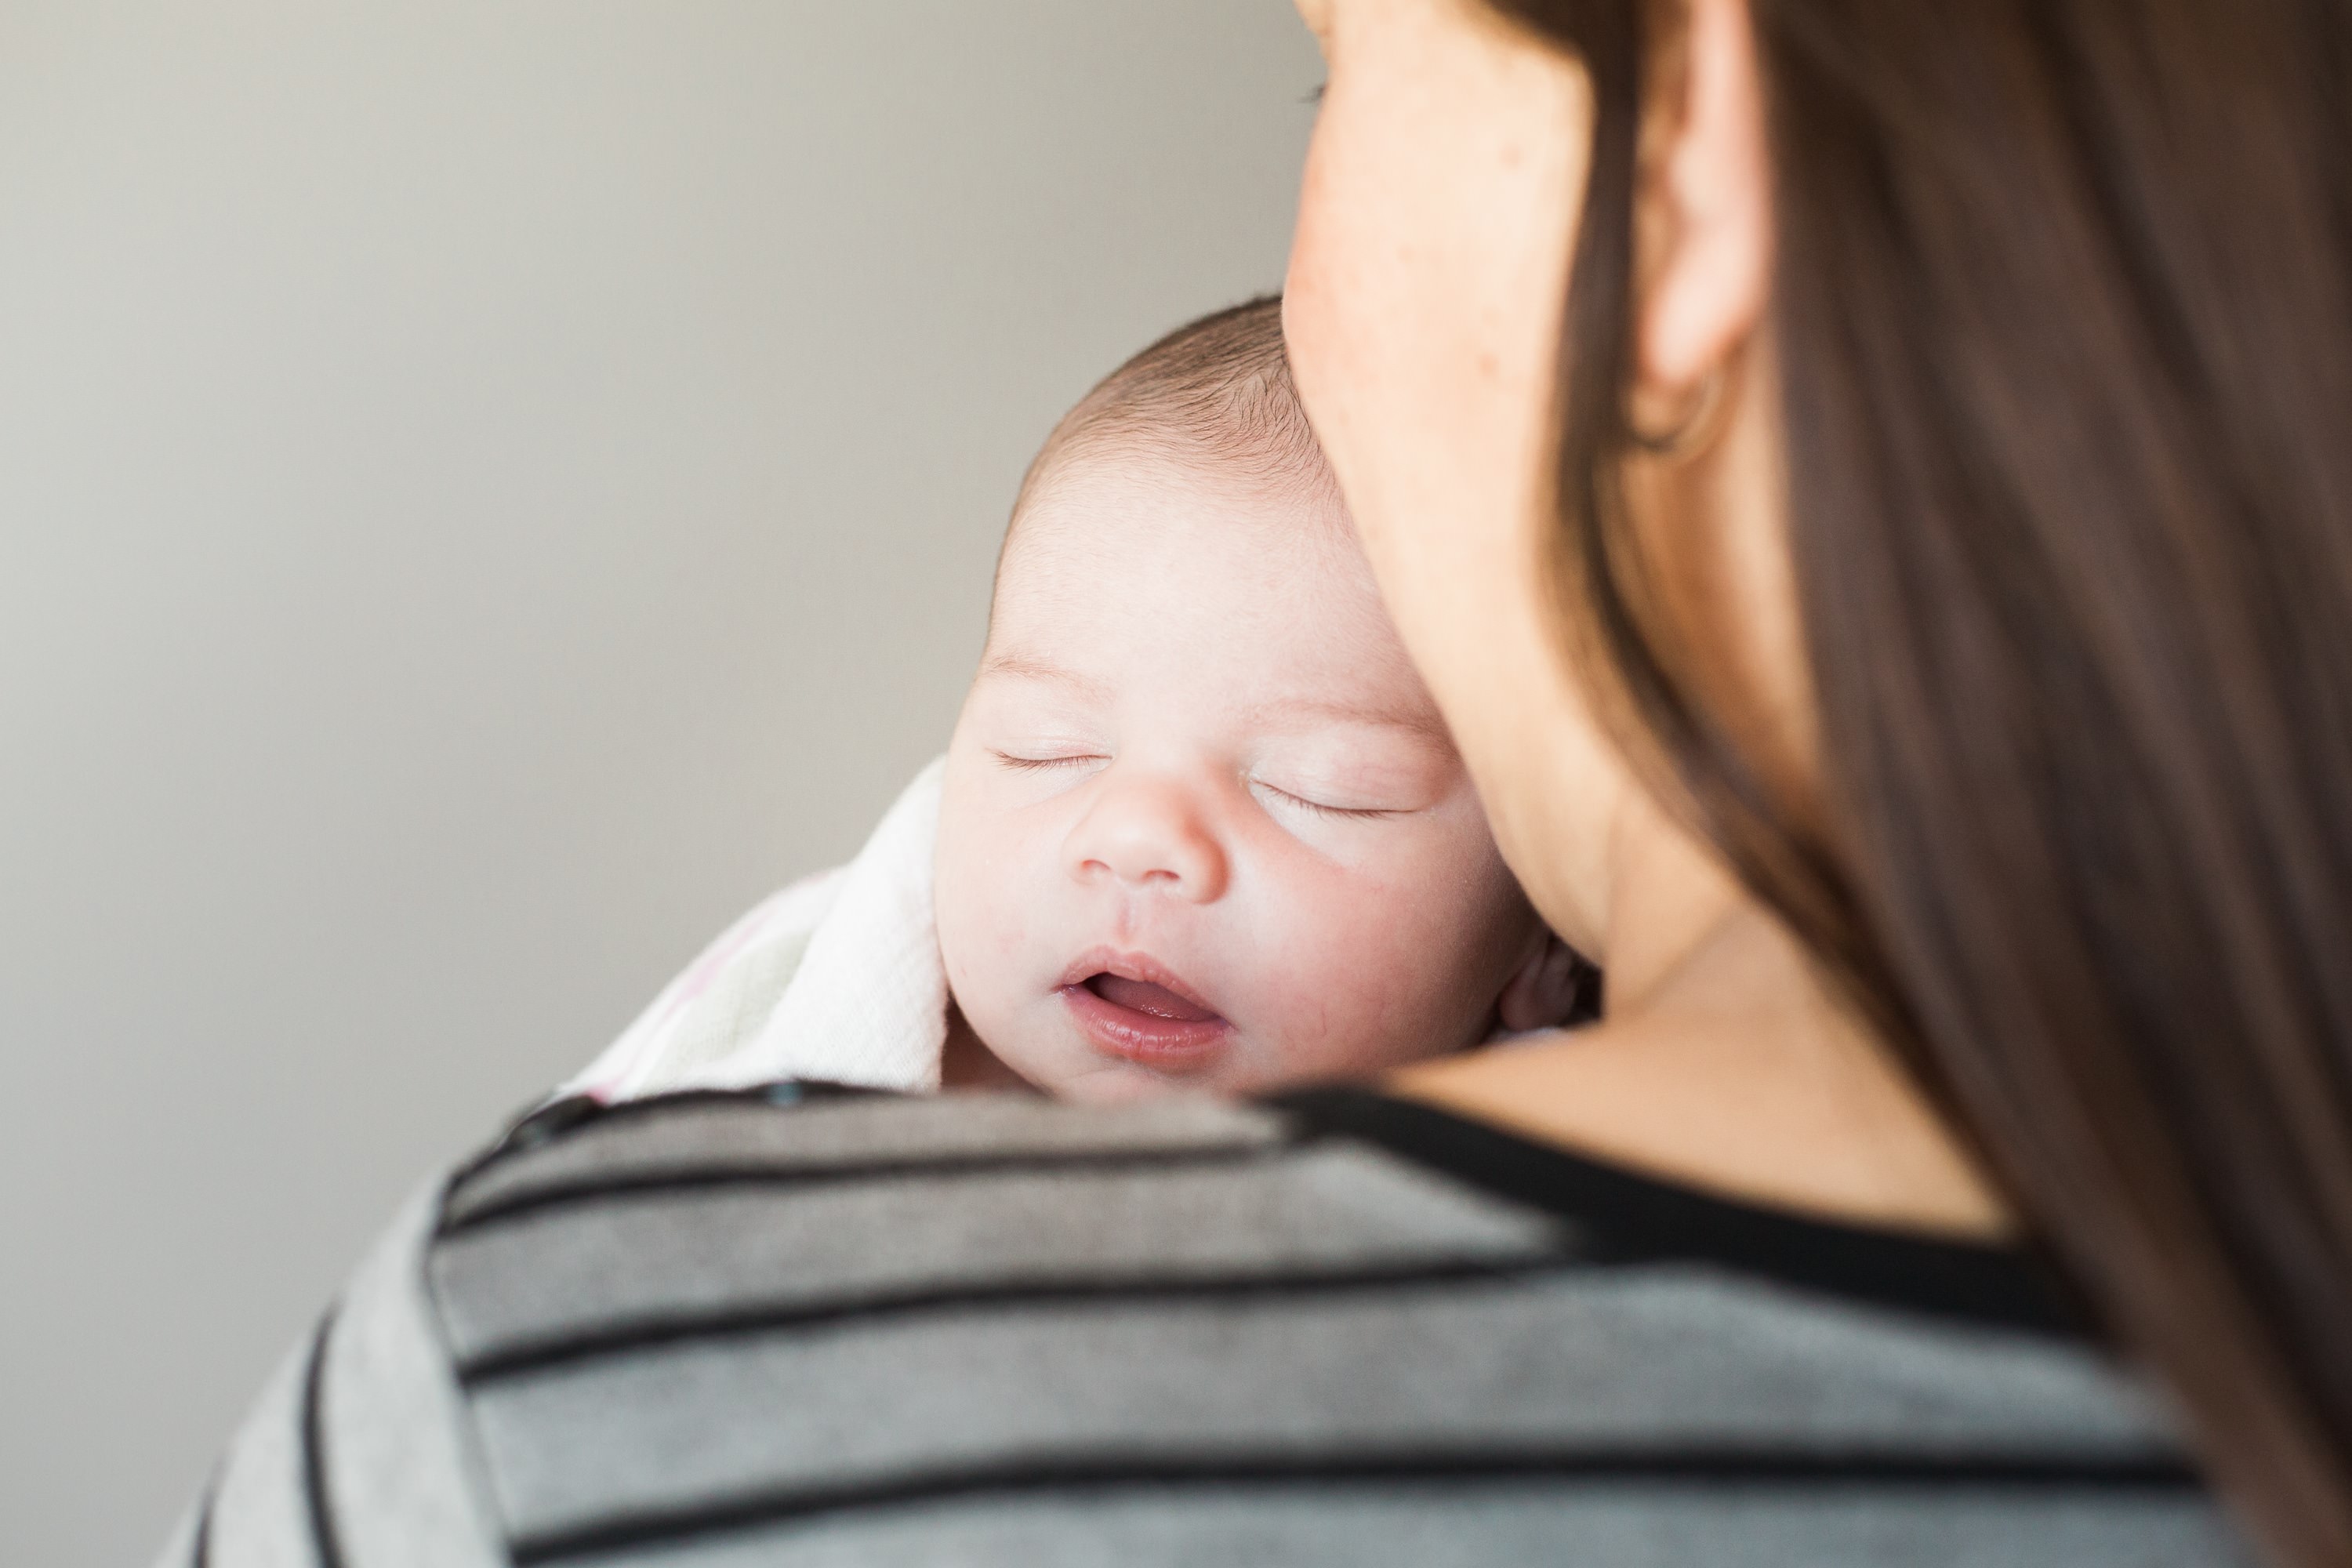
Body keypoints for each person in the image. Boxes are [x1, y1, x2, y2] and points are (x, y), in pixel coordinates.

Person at [162, 0, 2348, 1563]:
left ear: (1673, 179)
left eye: (1342, 66)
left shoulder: (583, 1405)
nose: (1136, 833)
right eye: (1033, 744)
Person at [564, 297, 1585, 1107]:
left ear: (1544, 935)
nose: (1140, 839)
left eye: (1322, 790)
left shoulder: (1580, 1186)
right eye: (1046, 750)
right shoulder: (773, 1020)